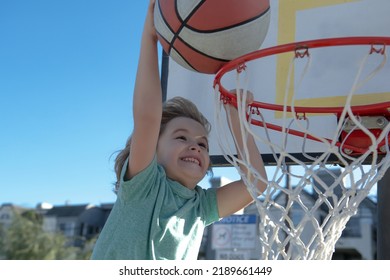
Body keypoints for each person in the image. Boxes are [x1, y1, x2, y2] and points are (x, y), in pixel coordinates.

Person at [91, 0, 267, 260]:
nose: (195, 145)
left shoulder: (200, 207)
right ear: (153, 149)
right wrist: (149, 38)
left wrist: (236, 118)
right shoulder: (144, 185)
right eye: (181, 137)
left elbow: (256, 183)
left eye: (203, 144)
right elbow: (148, 118)